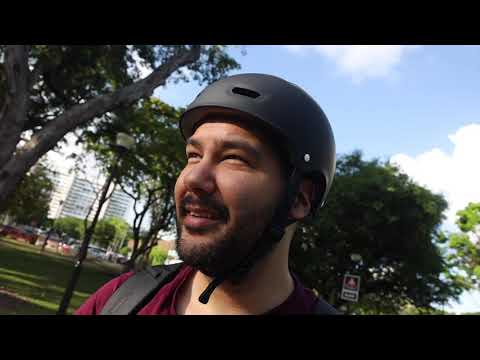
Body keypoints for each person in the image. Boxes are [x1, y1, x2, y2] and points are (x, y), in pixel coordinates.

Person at [75, 73, 338, 315]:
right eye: (193, 156)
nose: (193, 178)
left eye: (234, 158)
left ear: (300, 198)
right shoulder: (121, 298)